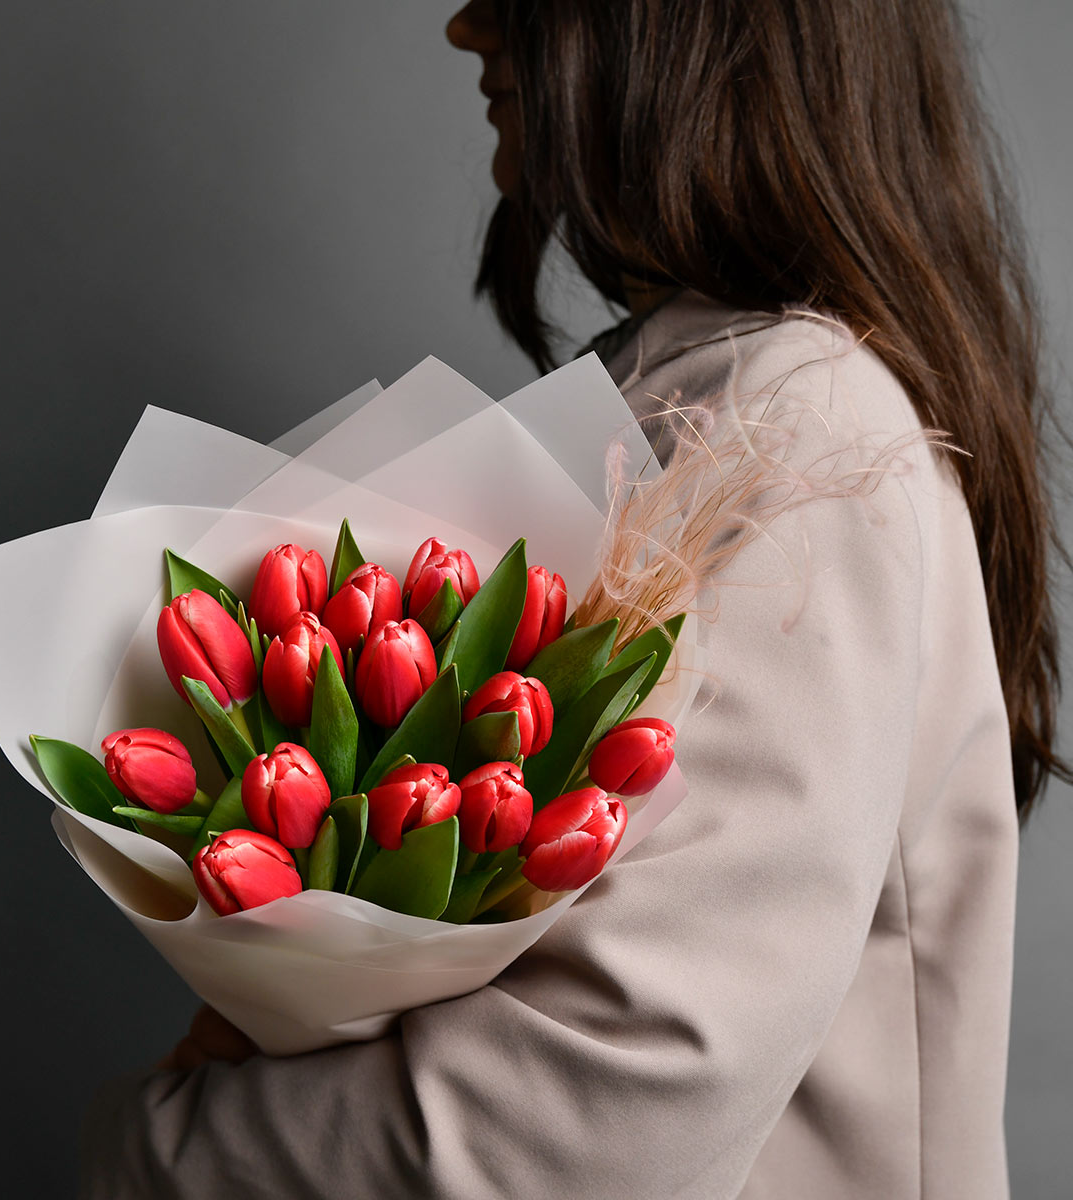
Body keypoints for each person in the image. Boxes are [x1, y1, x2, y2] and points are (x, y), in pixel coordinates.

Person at [79, 2, 1068, 1196]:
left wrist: (163, 1150)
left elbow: (606, 1104)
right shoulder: (710, 395)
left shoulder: (803, 435)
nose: (465, 25)